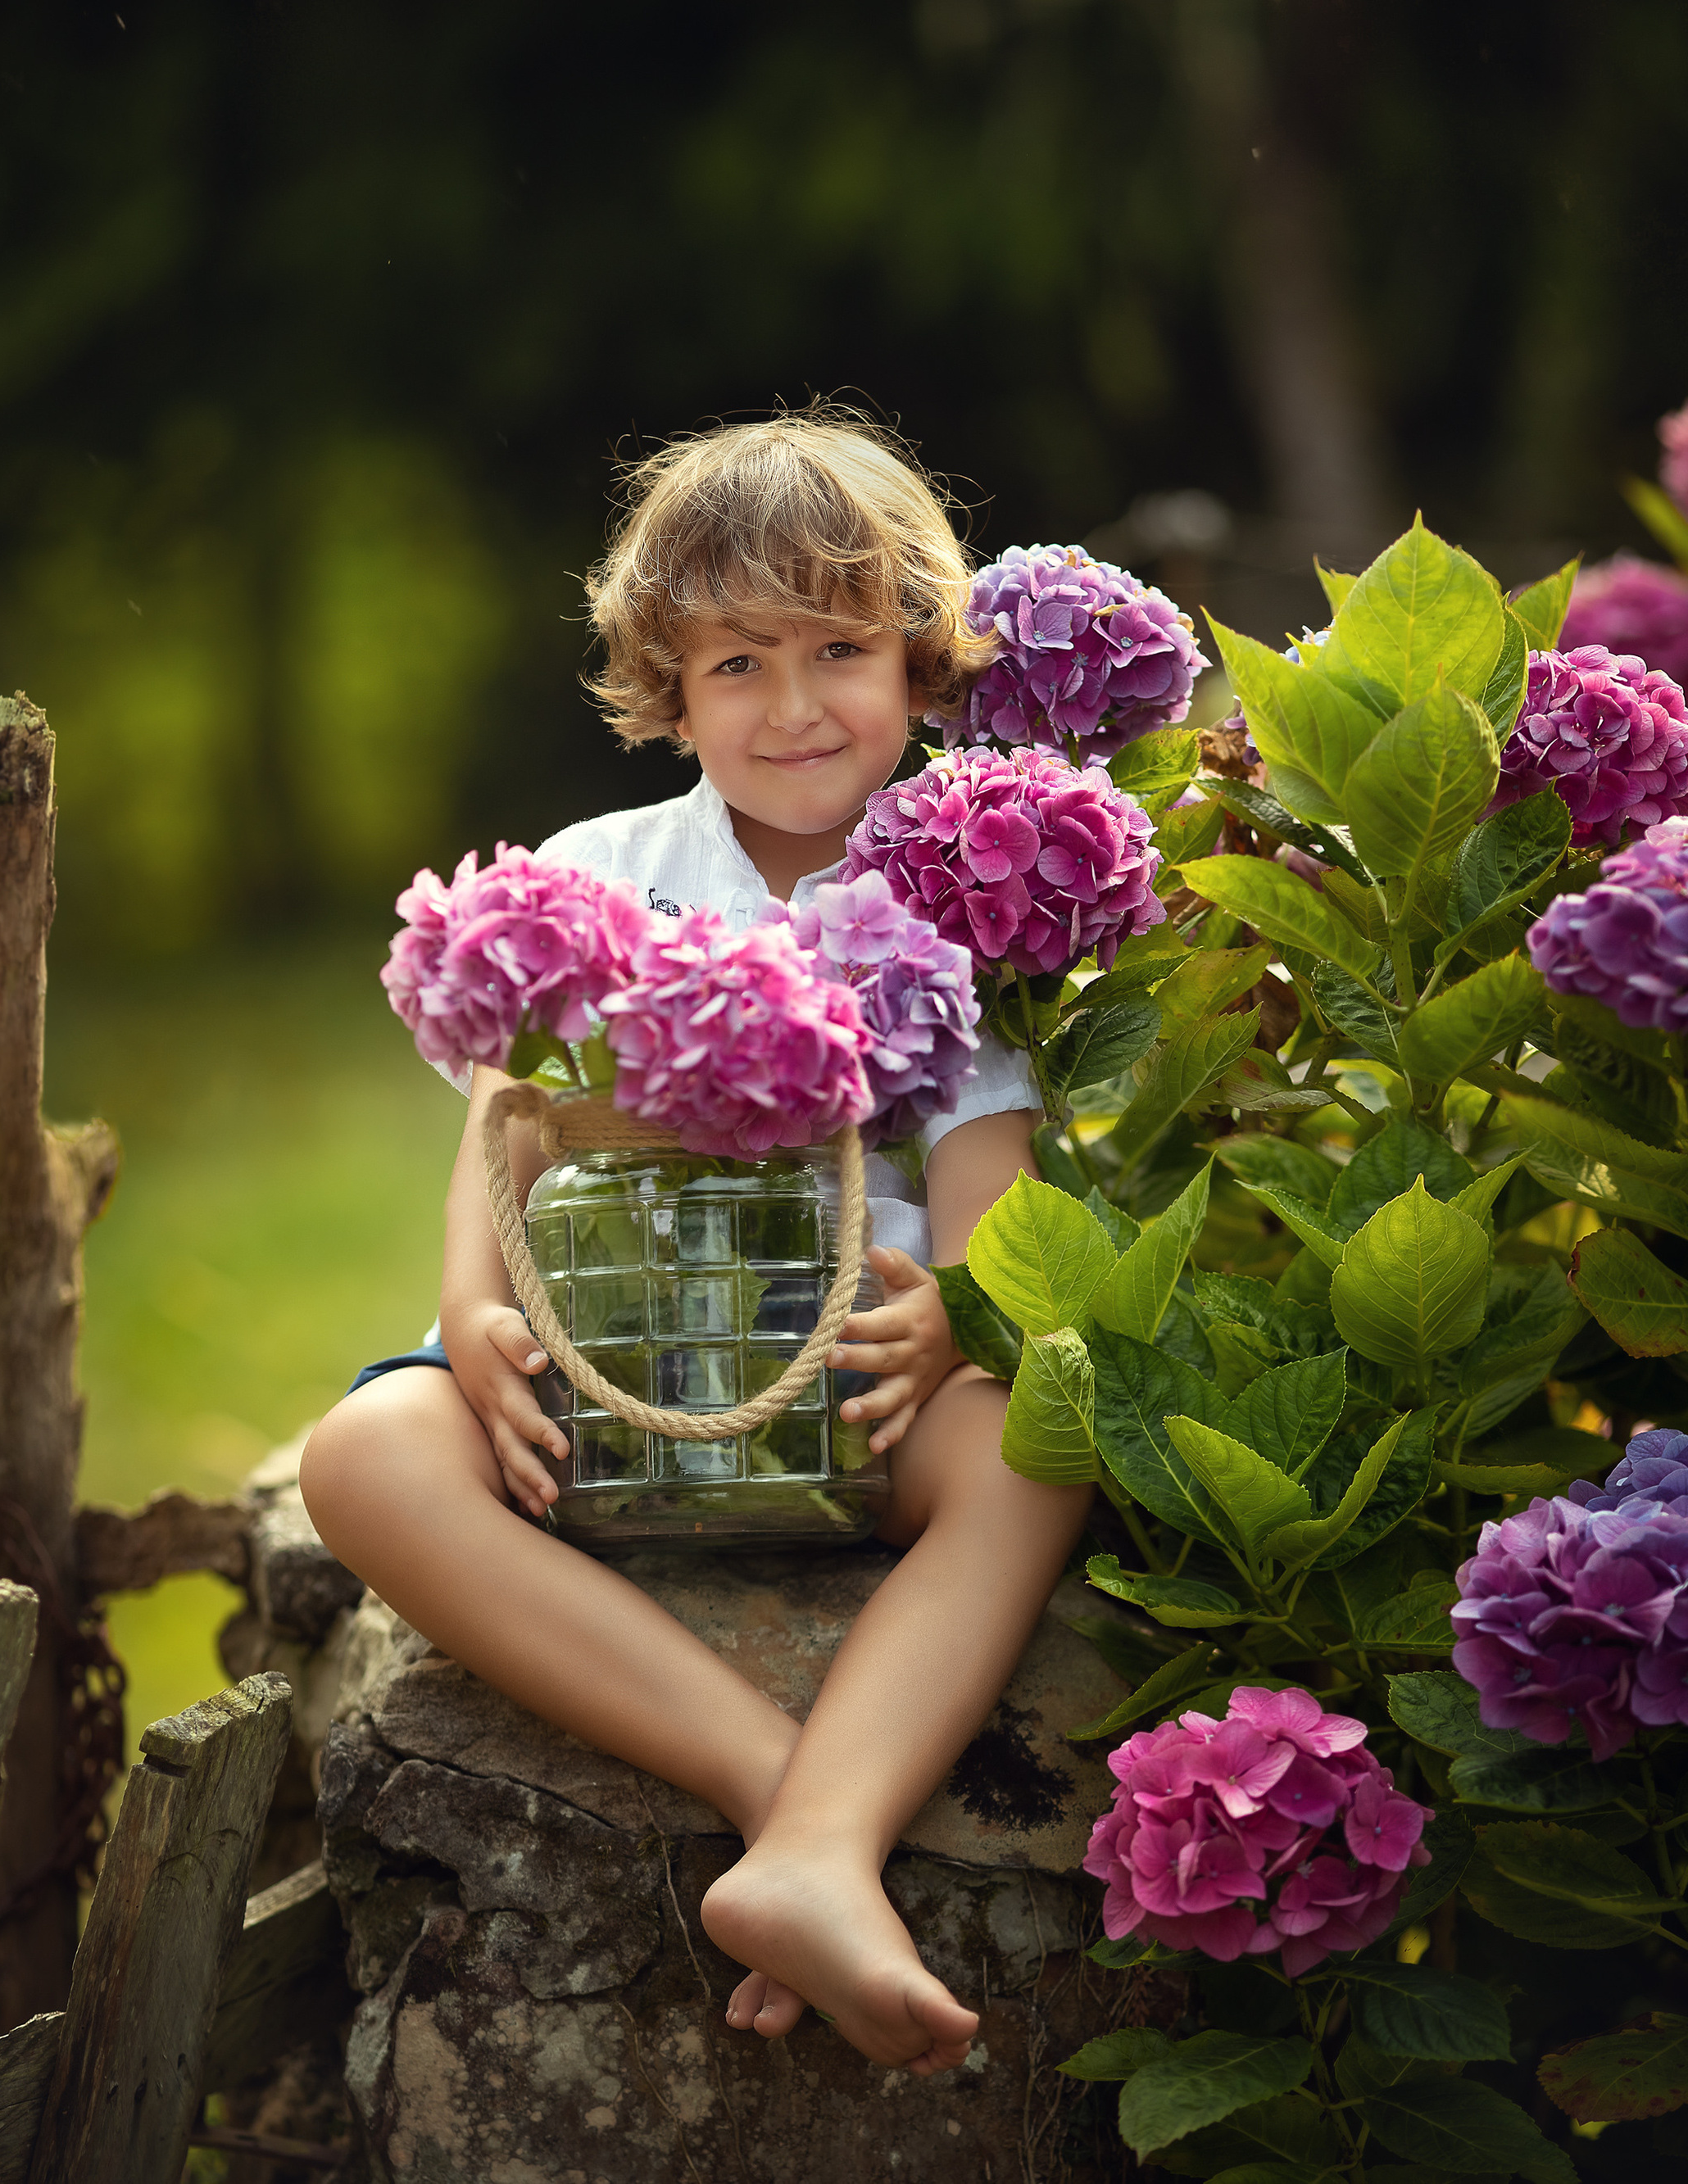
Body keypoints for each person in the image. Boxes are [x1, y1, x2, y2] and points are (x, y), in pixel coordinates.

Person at [299, 408, 1093, 2076]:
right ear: (667, 683)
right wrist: (471, 1310)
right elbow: (508, 1134)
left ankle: (816, 1832)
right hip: (612, 1387)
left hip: (843, 1395)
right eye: (737, 662)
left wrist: (952, 1317)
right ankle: (779, 1801)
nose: (793, 706)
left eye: (837, 649)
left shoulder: (963, 879)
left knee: (1031, 1447)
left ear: (921, 661)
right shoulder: (603, 874)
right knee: (368, 1450)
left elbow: (988, 1189)